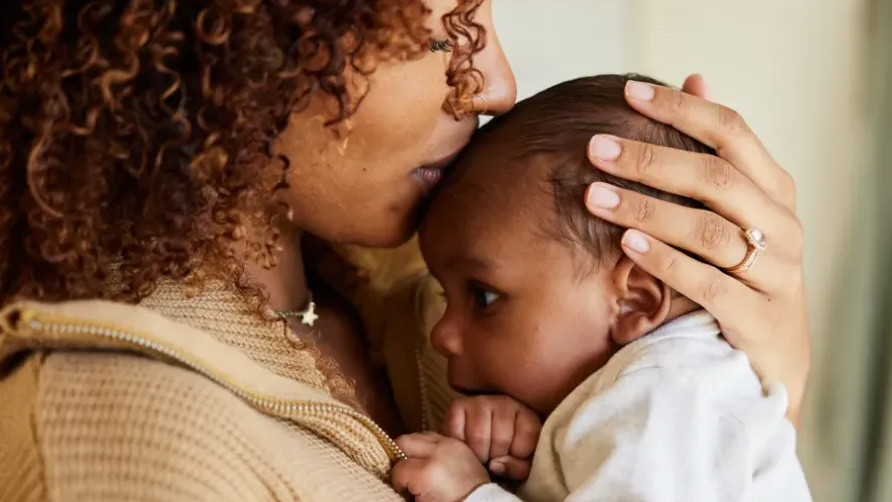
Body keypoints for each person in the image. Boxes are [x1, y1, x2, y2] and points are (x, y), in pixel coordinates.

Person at [0, 1, 810, 500]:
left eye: (488, 19)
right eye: (442, 34)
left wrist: (751, 386)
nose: (496, 84)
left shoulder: (433, 288)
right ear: (251, 38)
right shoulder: (109, 446)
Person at [389, 75, 812, 502]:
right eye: (447, 296)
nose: (441, 334)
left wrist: (472, 494)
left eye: (483, 296)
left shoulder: (665, 395)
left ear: (633, 301)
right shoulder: (666, 389)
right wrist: (536, 445)